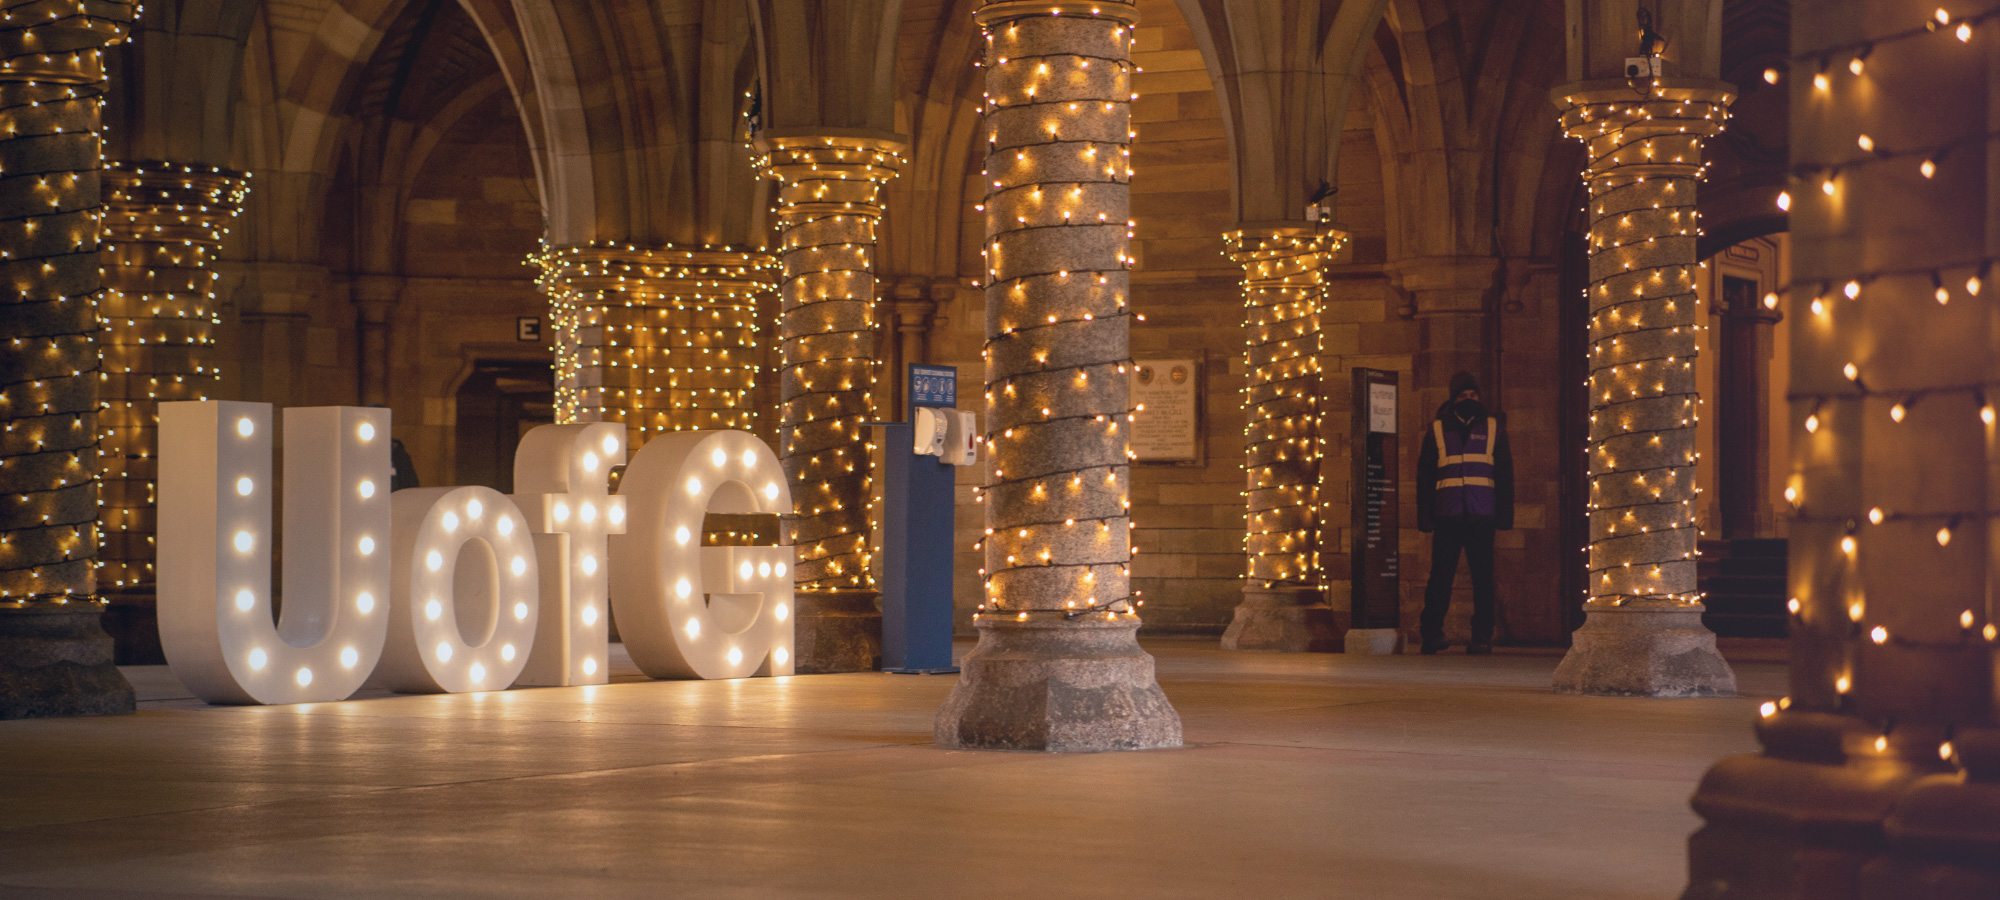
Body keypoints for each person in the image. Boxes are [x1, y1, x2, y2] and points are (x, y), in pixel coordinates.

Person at [1416, 371, 1513, 655]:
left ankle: (1482, 636)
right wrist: (1425, 516)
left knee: (1483, 580)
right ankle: (1432, 634)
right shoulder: (1437, 430)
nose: (1469, 400)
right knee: (1440, 578)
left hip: (1482, 515)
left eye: (1473, 395)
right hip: (1448, 515)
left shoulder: (1493, 428)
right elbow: (1425, 477)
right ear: (1453, 399)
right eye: (1462, 396)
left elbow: (1505, 475)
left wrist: (1505, 515)